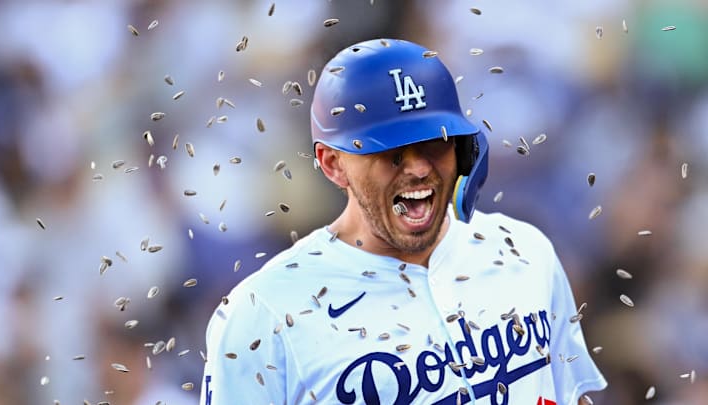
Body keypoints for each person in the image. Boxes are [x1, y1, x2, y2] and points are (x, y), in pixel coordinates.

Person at [200, 38, 607, 405]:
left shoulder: (523, 252)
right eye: (389, 151)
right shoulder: (263, 313)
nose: (416, 168)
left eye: (434, 142)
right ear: (332, 164)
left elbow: (569, 395)